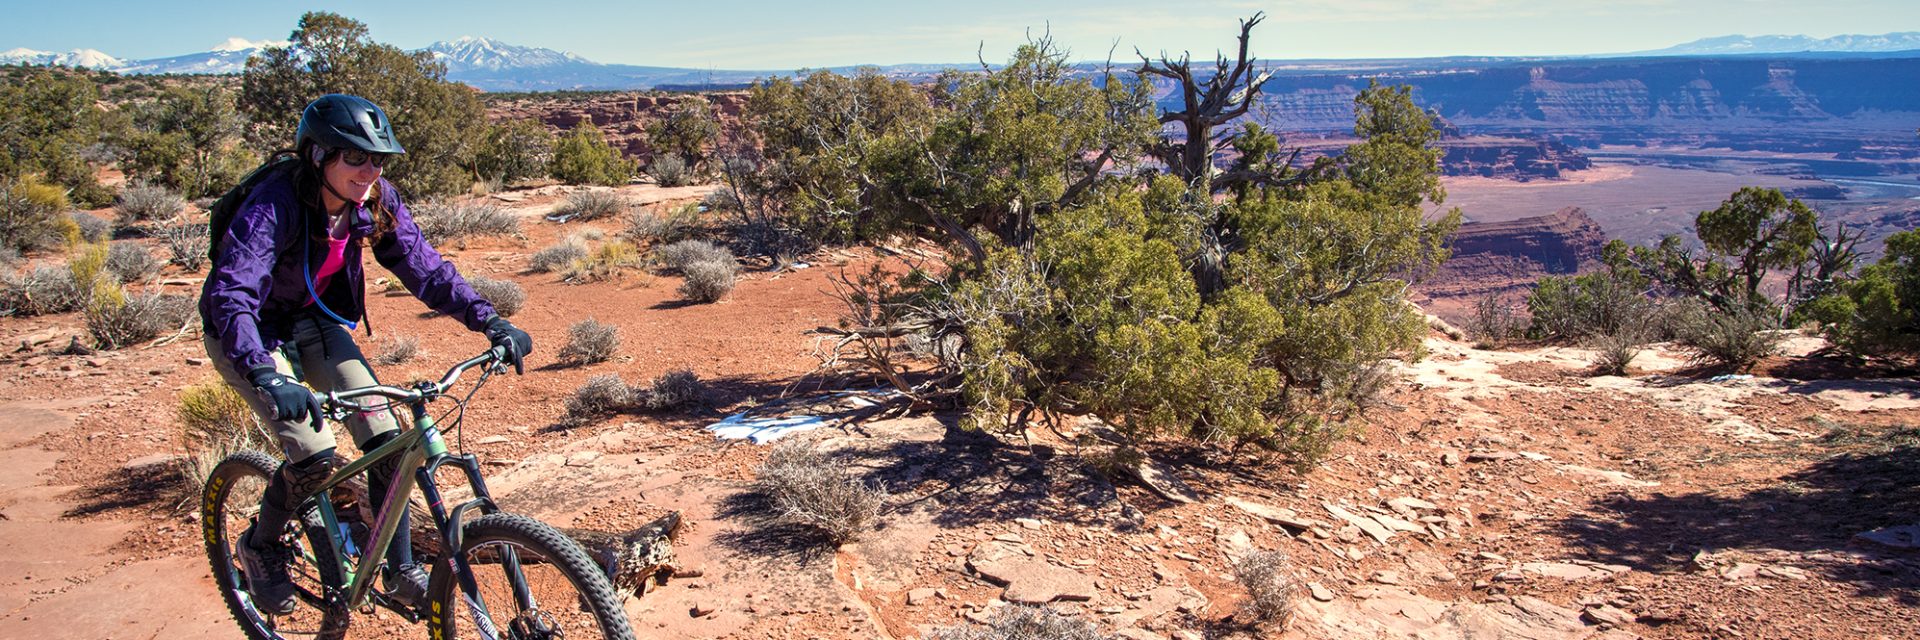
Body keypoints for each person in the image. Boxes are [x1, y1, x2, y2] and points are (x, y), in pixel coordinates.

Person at [198, 94, 532, 614]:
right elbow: (233, 292)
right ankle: (261, 546)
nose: (369, 170)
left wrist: (489, 319)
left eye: (378, 159)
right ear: (316, 156)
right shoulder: (274, 204)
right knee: (313, 452)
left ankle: (401, 573)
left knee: (392, 443)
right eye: (355, 157)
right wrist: (267, 375)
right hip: (249, 334)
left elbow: (426, 269)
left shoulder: (375, 201)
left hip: (316, 323)